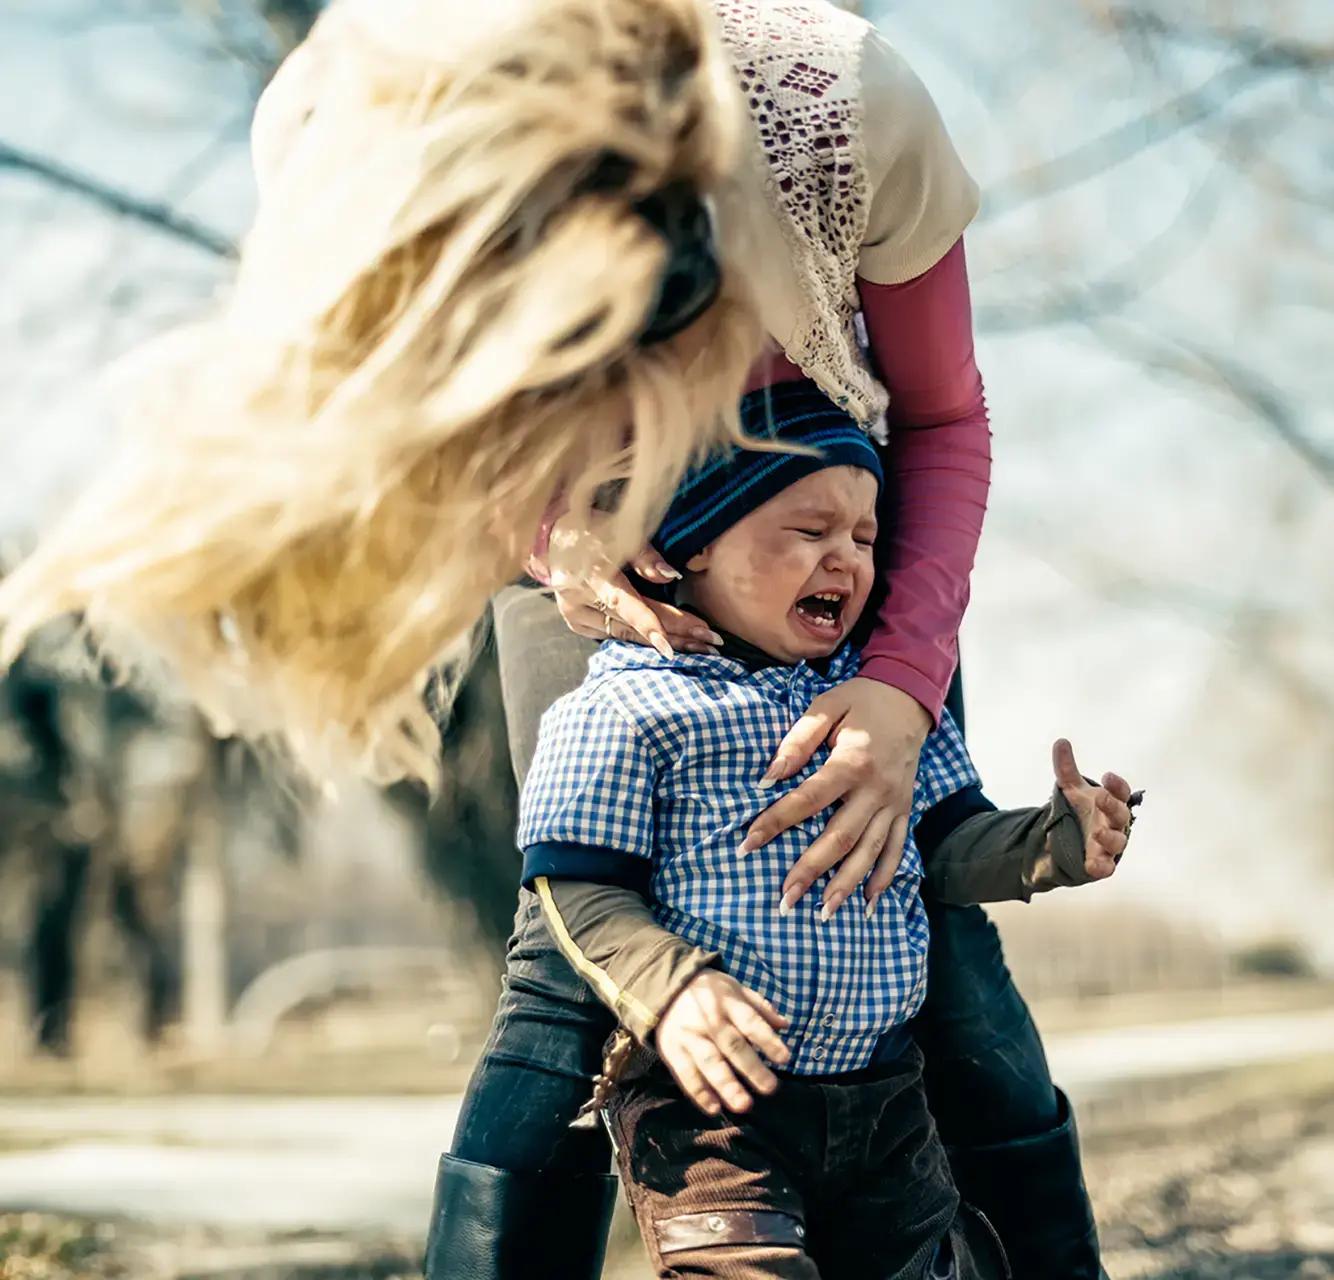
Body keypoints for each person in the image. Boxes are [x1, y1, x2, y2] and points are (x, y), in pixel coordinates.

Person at [0, 0, 1110, 1273]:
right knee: (570, 964)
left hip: (829, 538)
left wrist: (905, 688)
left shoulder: (845, 107)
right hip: (569, 556)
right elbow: (409, 443)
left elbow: (944, 417)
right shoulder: (345, 126)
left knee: (937, 942)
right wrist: (546, 536)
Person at [500, 408, 1137, 1278]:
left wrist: (1054, 843)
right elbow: (576, 888)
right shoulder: (620, 711)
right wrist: (672, 989)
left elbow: (950, 846)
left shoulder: (872, 714)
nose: (848, 557)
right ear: (694, 546)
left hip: (885, 1102)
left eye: (867, 537)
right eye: (810, 530)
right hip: (713, 1112)